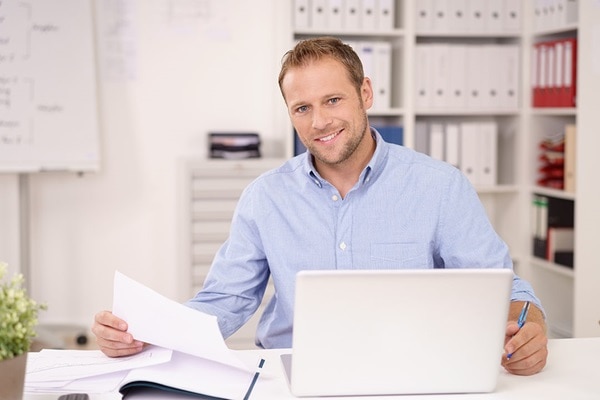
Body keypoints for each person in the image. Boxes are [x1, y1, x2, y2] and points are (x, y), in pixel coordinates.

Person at [92, 37, 548, 376]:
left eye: (333, 100)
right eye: (302, 108)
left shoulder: (439, 186)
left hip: (412, 371)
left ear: (365, 94)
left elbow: (502, 286)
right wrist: (147, 333)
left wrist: (526, 327)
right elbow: (225, 302)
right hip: (293, 375)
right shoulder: (265, 197)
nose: (320, 122)